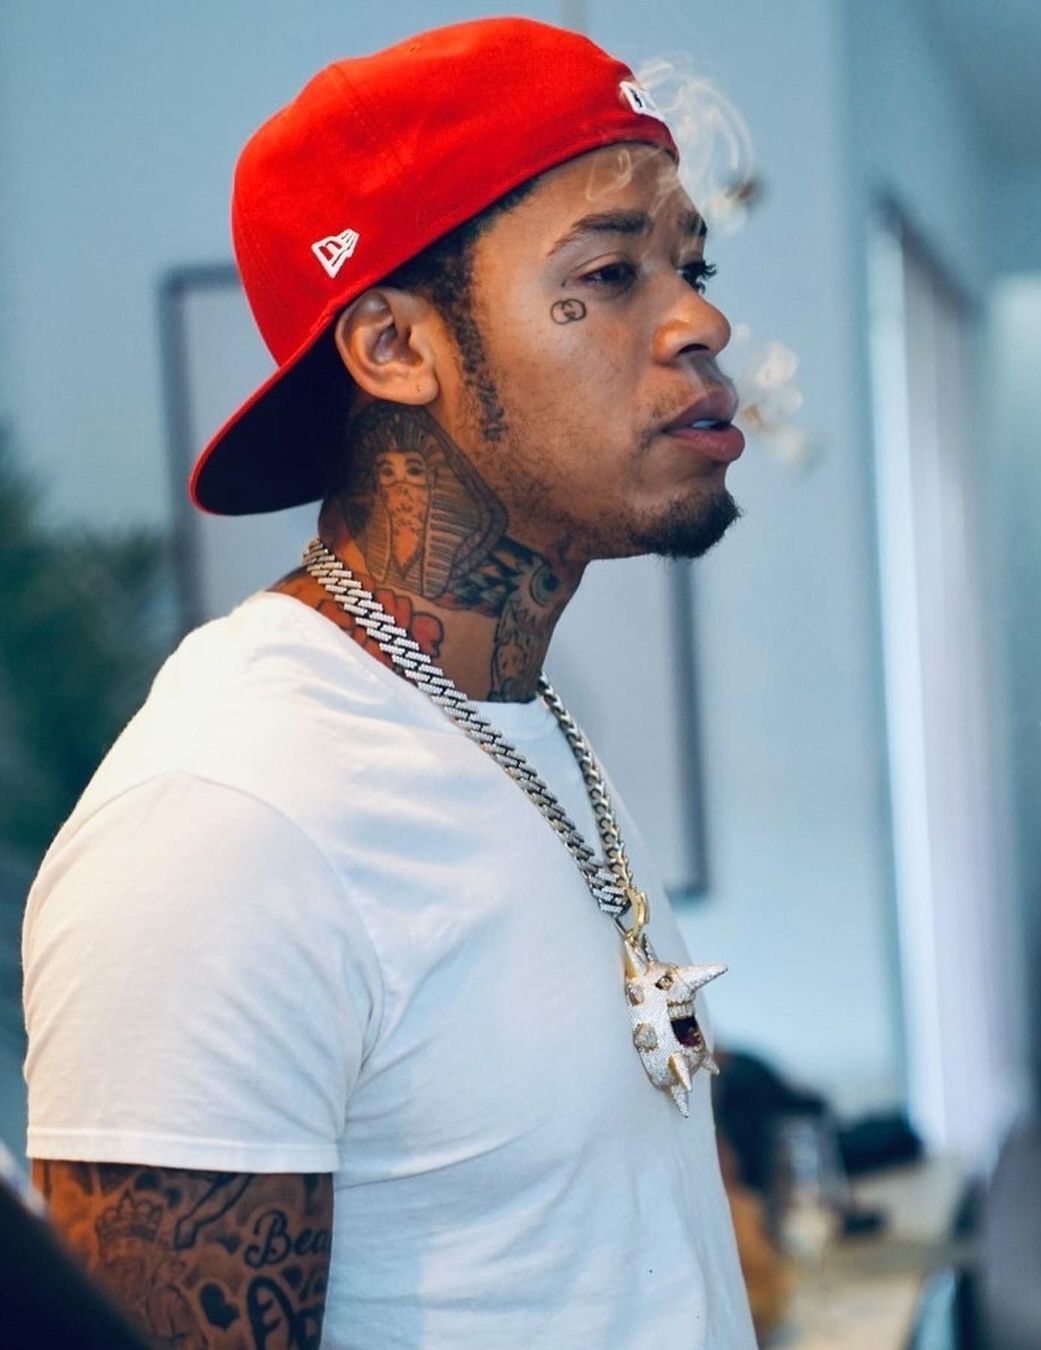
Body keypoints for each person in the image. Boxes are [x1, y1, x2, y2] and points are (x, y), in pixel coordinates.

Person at [22, 17, 756, 1348]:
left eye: (689, 266)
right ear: (393, 347)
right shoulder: (227, 824)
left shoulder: (506, 714)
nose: (700, 319)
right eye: (610, 272)